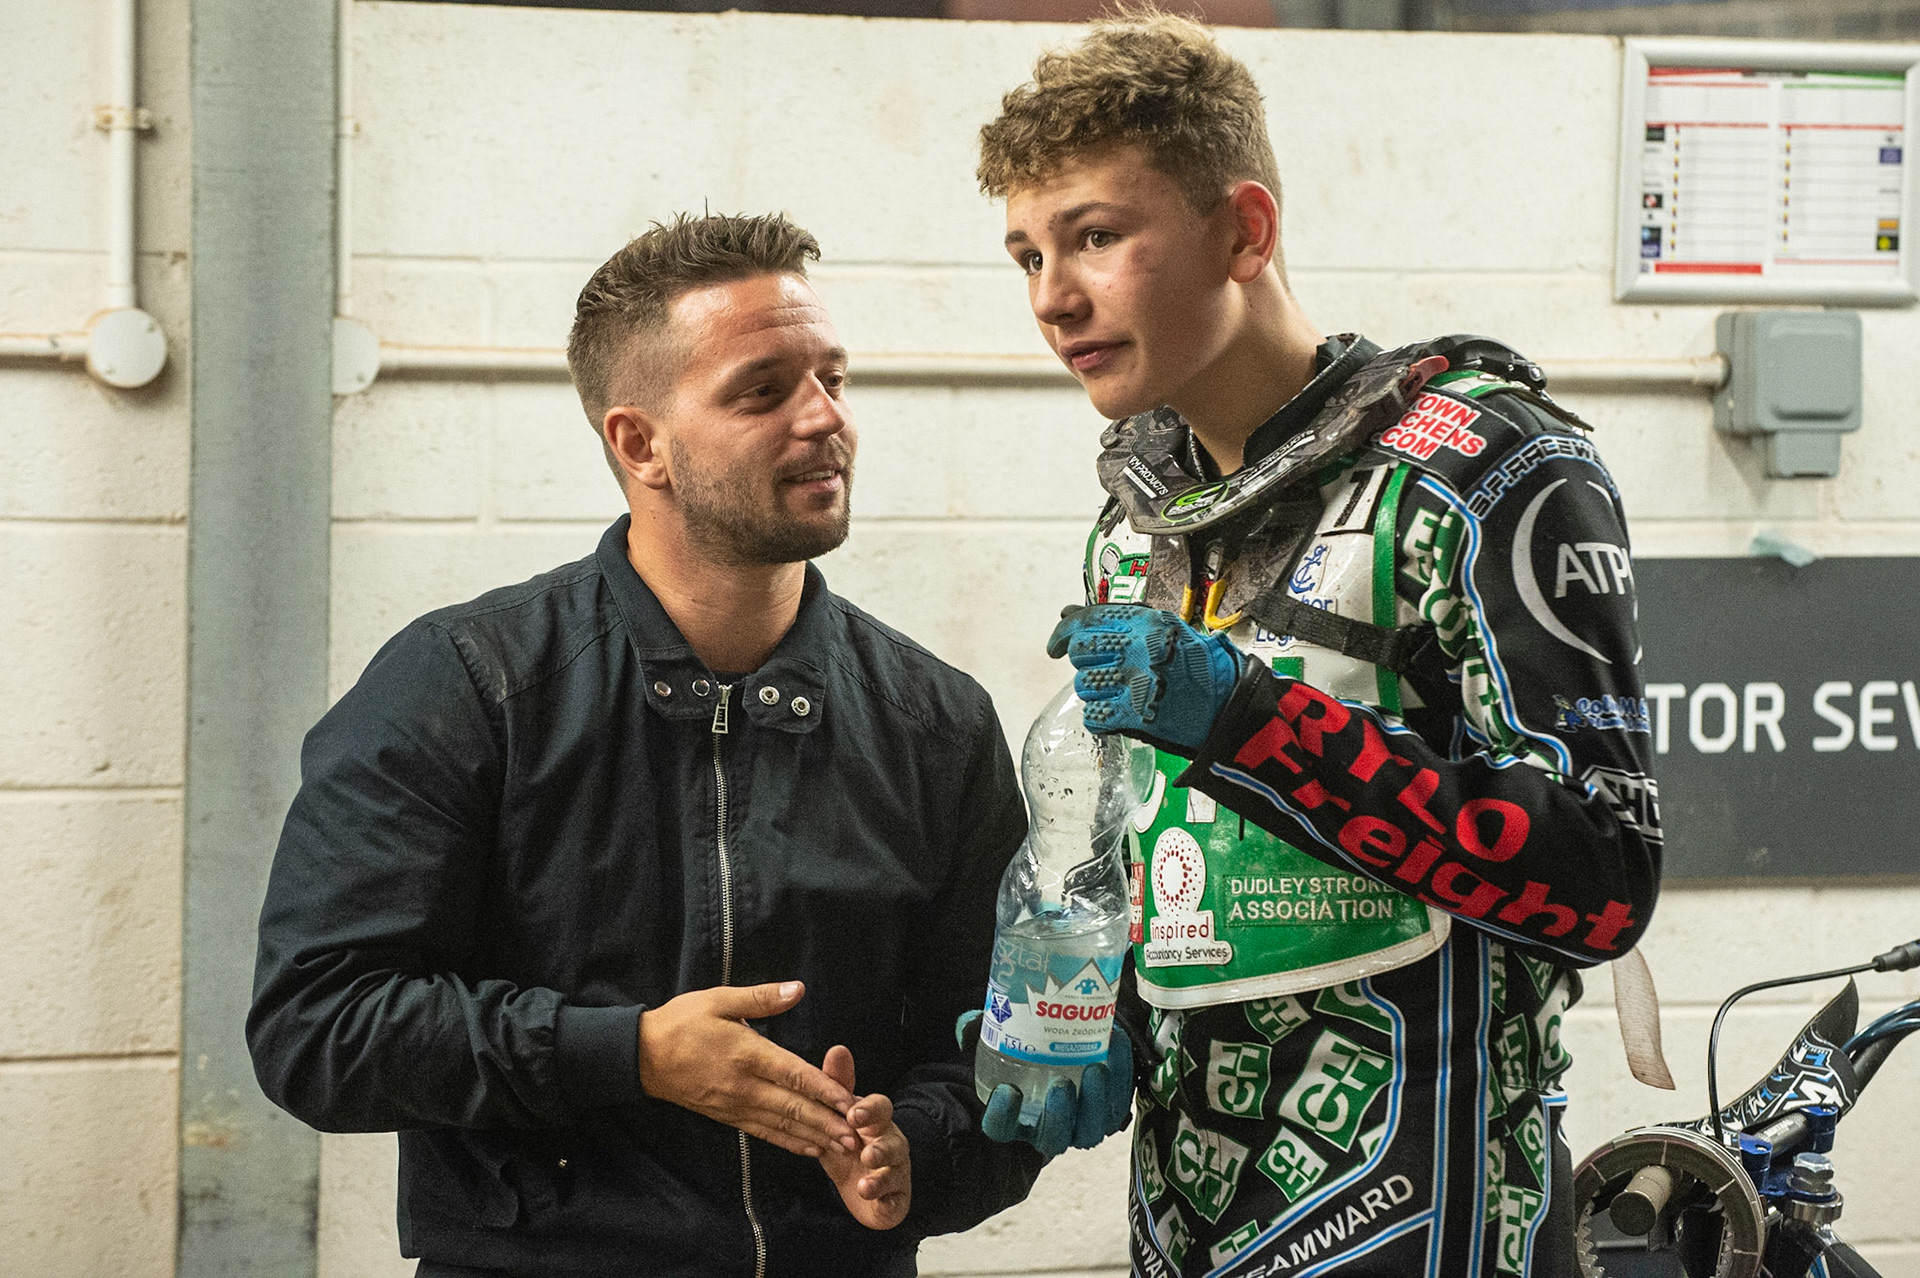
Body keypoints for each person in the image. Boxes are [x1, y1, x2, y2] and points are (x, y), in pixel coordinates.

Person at [971, 14, 1662, 1276]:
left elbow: (1603, 883)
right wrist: (1090, 1006)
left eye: (1095, 237)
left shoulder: (1484, 467)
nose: (1051, 297)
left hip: (1430, 1211)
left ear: (1246, 229)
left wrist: (1254, 724)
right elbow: (1165, 848)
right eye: (1026, 255)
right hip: (1191, 1217)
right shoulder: (1136, 528)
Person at [247, 212, 1046, 1278]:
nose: (825, 420)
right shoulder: (469, 686)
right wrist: (632, 1055)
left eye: (833, 379)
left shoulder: (933, 720)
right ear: (639, 443)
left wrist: (925, 1153)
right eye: (763, 390)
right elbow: (316, 1028)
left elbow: (996, 1043)